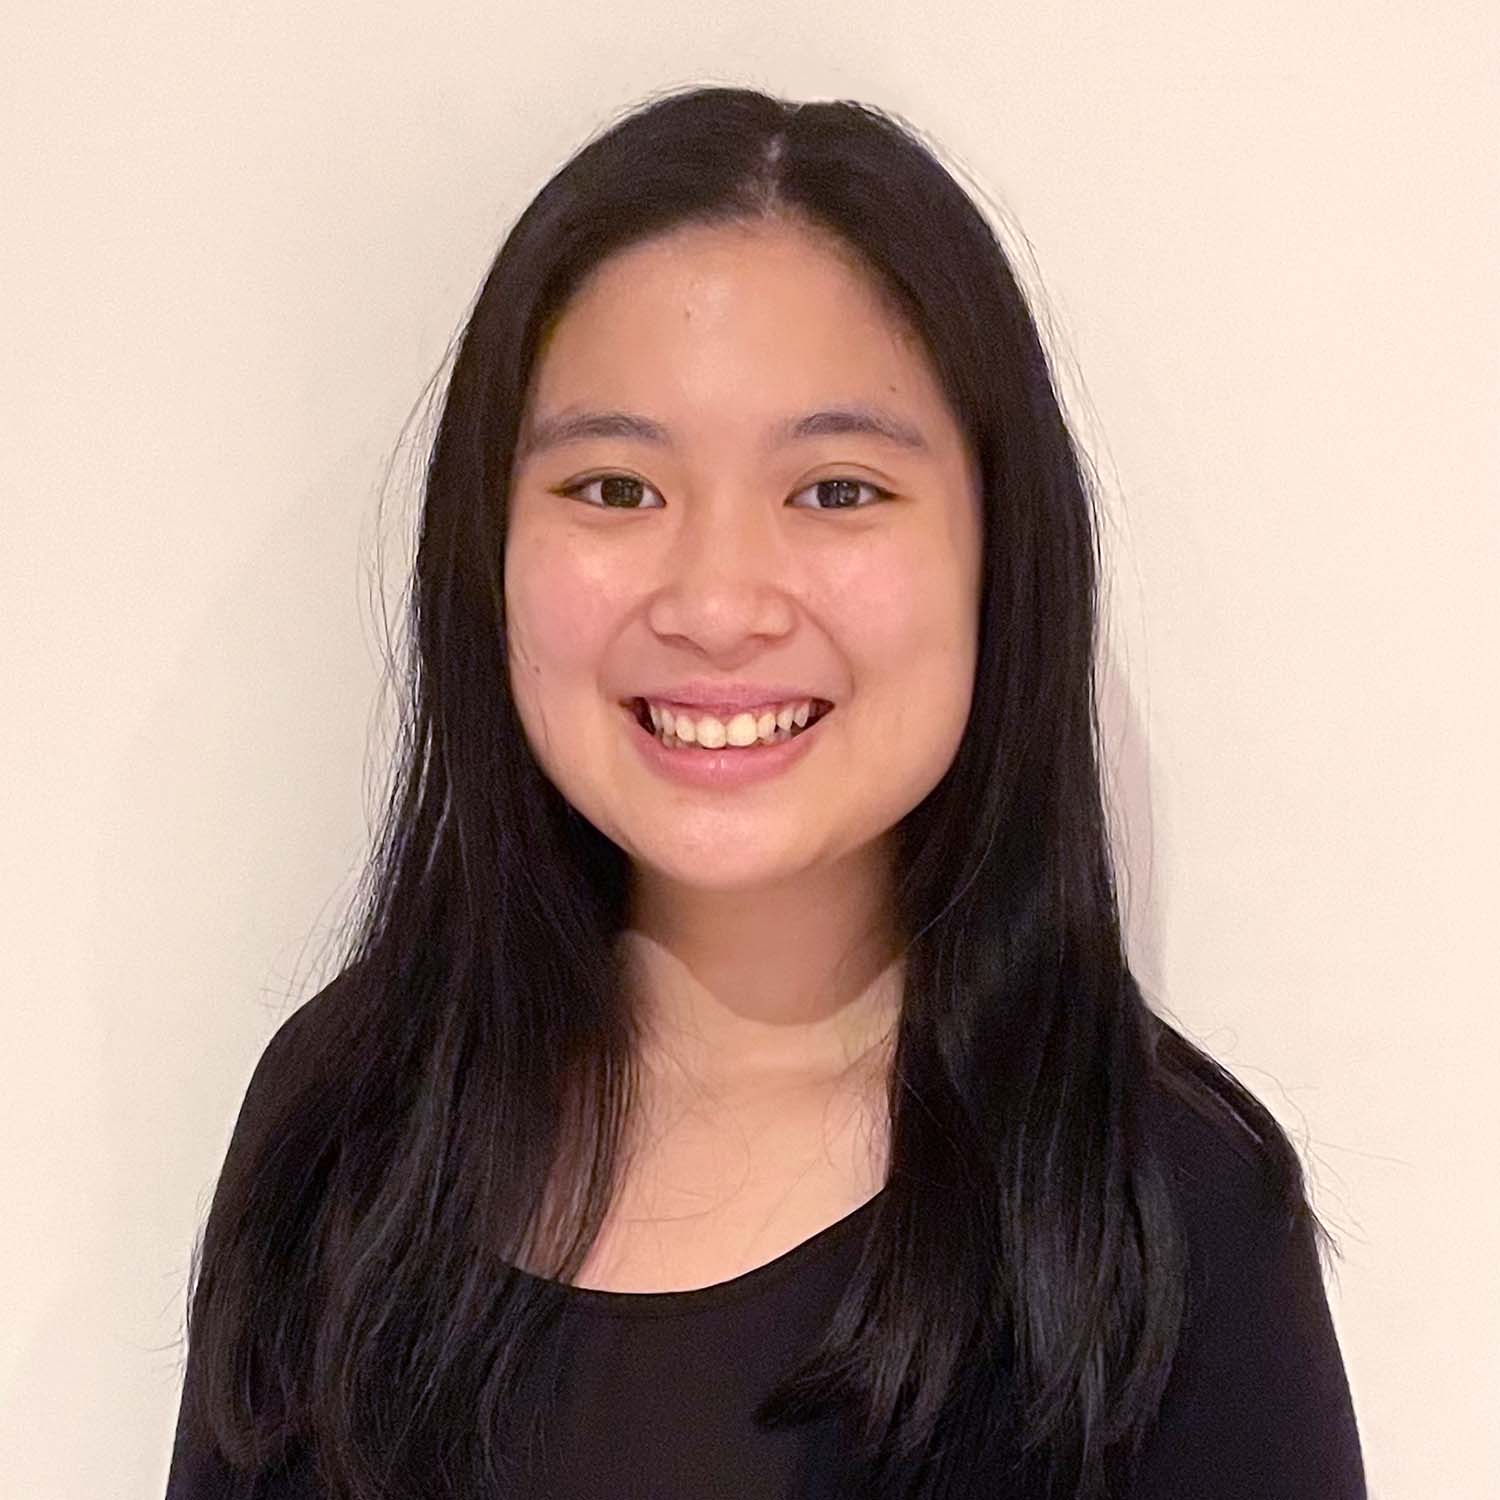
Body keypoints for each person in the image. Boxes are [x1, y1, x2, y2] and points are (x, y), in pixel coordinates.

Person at [164, 85, 1367, 1499]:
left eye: (837, 490)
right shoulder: (352, 1118)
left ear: (1001, 553)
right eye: (616, 489)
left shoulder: (1162, 1209)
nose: (718, 603)